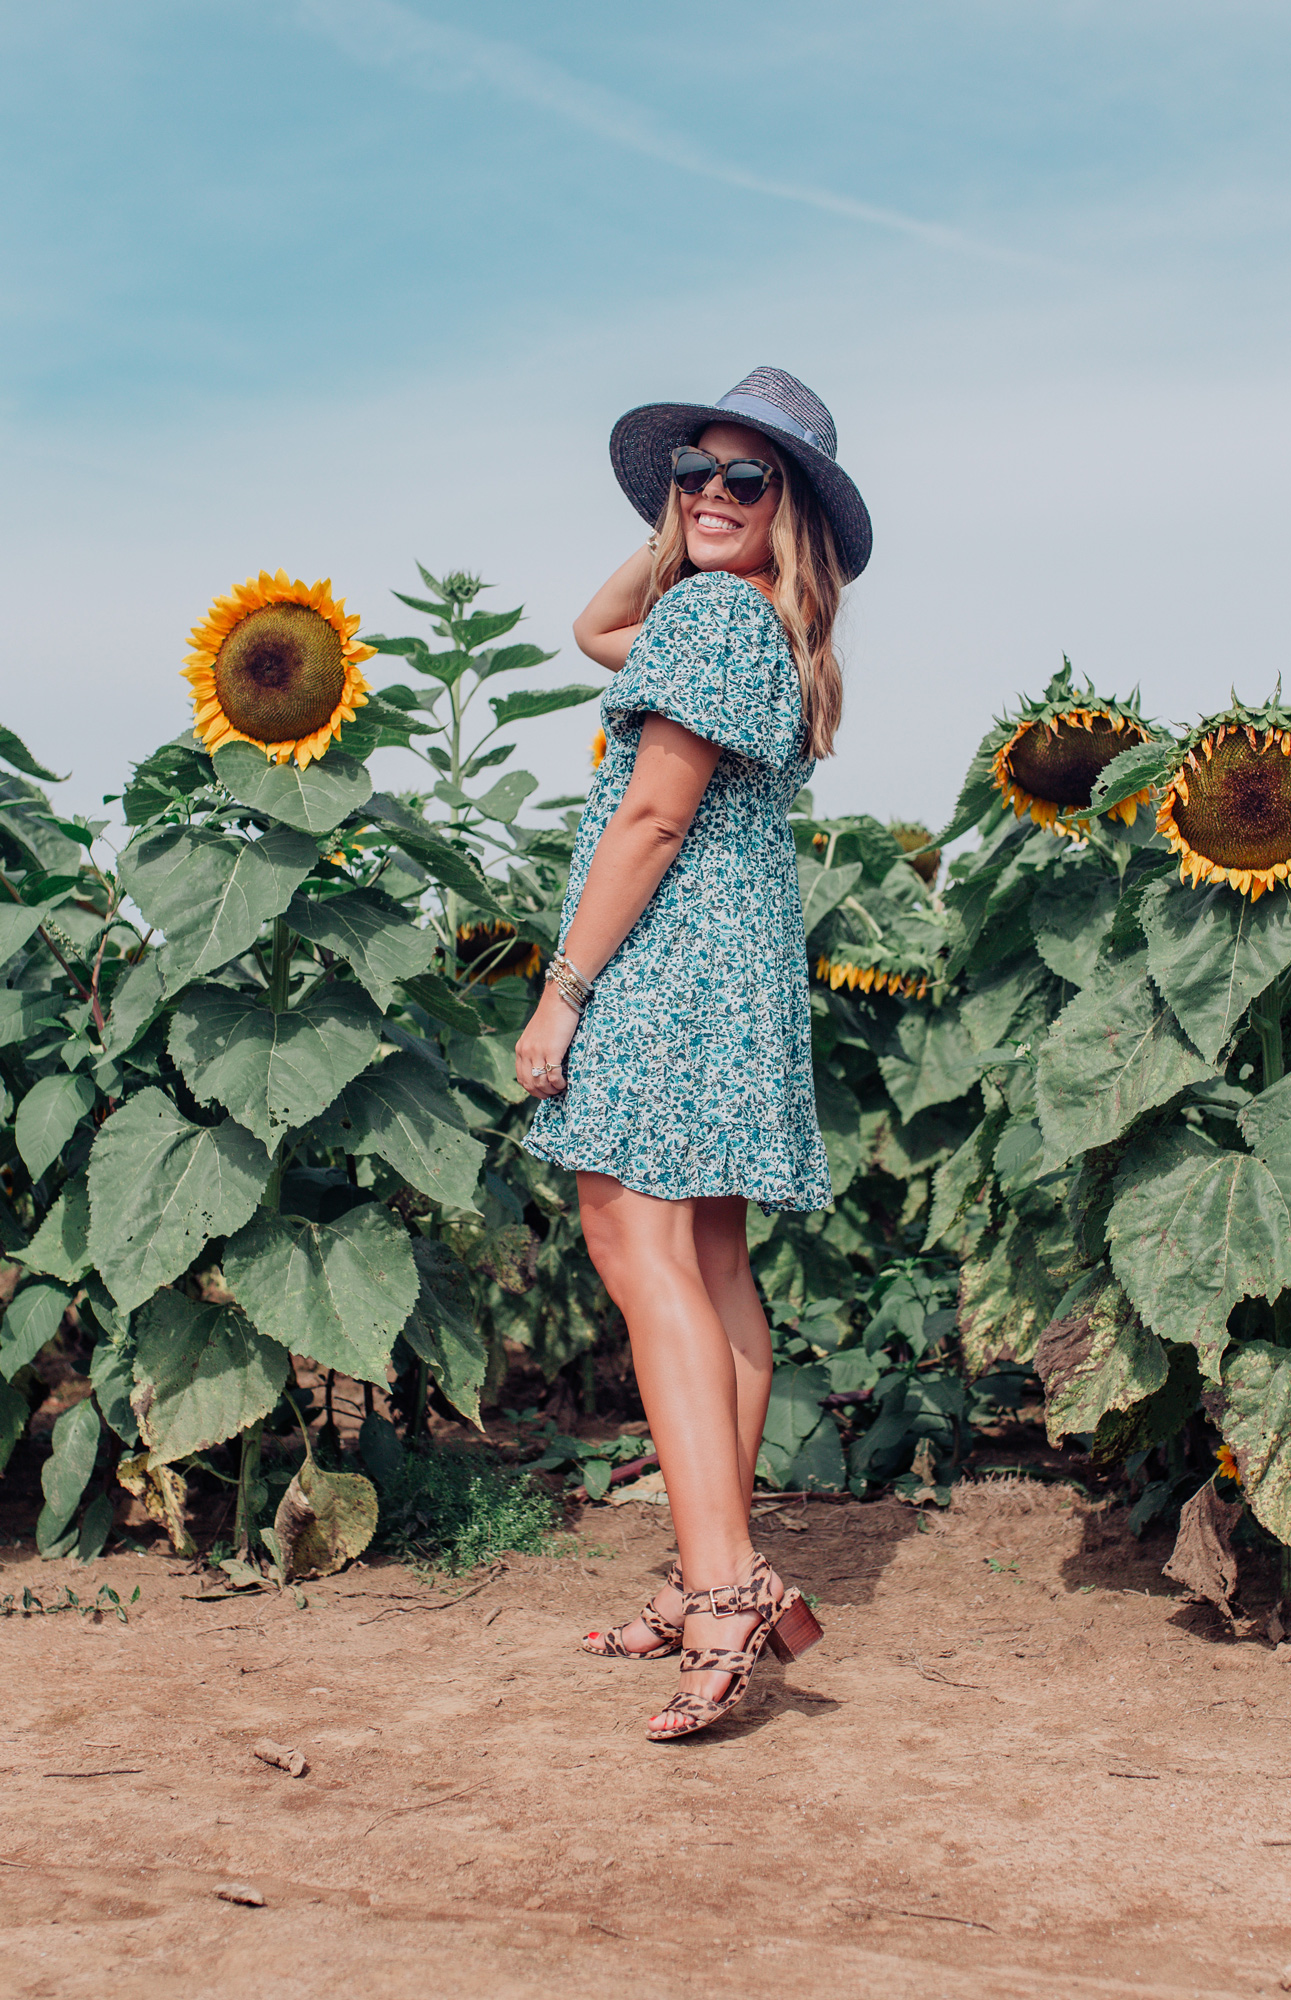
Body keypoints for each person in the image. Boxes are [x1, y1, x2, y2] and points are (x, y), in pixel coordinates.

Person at [518, 366, 873, 1741]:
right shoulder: (745, 620)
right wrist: (695, 526)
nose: (710, 494)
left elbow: (649, 823)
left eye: (746, 479)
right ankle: (711, 1573)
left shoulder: (716, 616)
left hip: (660, 967)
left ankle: (724, 1587)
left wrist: (561, 994)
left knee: (636, 1243)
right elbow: (594, 622)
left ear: (796, 516)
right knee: (711, 1258)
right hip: (732, 975)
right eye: (692, 473)